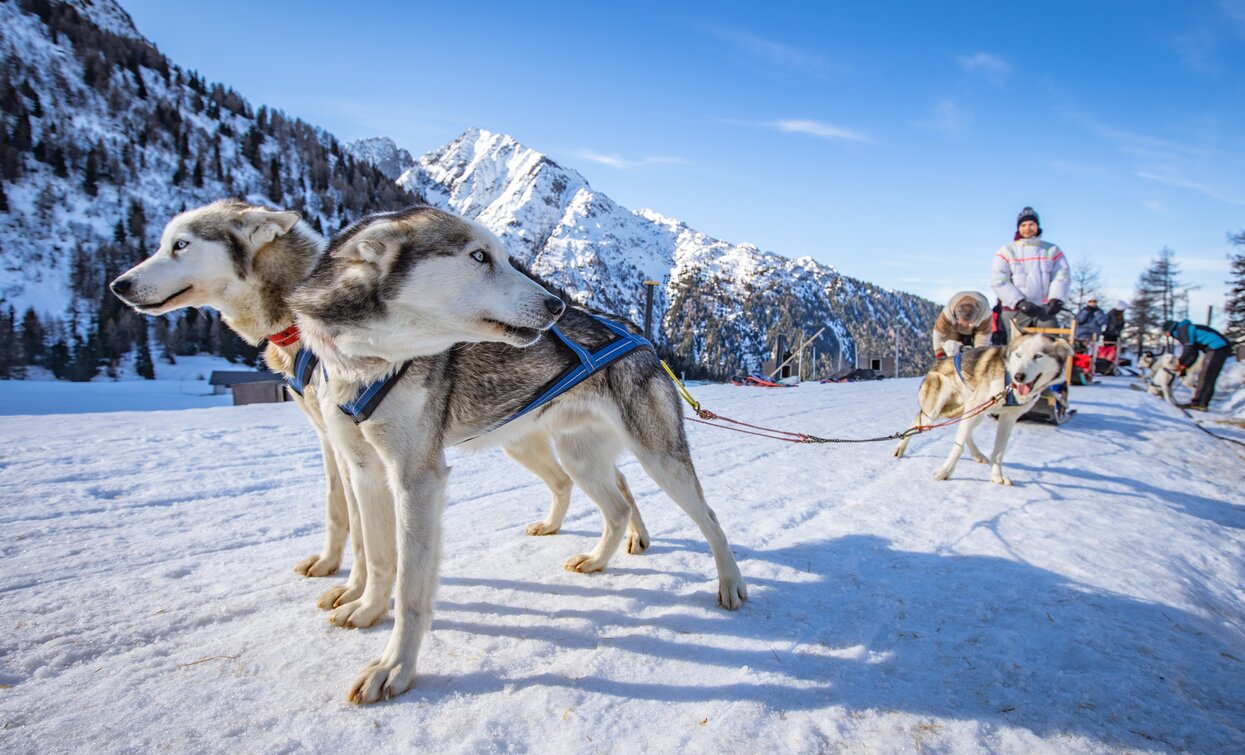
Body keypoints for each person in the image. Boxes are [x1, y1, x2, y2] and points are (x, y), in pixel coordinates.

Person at [991, 206, 1071, 338]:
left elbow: (1061, 276)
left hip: (1044, 308)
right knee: (1015, 348)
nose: (1027, 228)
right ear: (1018, 228)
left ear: (1037, 226)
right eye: (1023, 225)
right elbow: (999, 280)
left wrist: (1056, 299)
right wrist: (1019, 302)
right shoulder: (1007, 251)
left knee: (1050, 345)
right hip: (1016, 309)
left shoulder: (1052, 250)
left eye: (1031, 224)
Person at [1163, 318, 1232, 410]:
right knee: (1204, 374)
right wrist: (1184, 366)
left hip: (1218, 347)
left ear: (1169, 330)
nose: (1166, 335)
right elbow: (1194, 354)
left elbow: (1188, 350)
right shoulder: (1183, 330)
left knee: (1207, 374)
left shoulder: (1182, 330)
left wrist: (1180, 363)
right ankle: (1198, 402)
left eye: (1165, 332)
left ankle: (1200, 403)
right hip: (1215, 348)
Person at [932, 290, 991, 358]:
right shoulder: (948, 313)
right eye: (962, 322)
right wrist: (939, 353)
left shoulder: (985, 315)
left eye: (968, 323)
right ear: (957, 316)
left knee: (974, 355)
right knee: (952, 348)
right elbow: (938, 332)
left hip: (975, 330)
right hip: (954, 329)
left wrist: (979, 356)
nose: (965, 326)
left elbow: (983, 337)